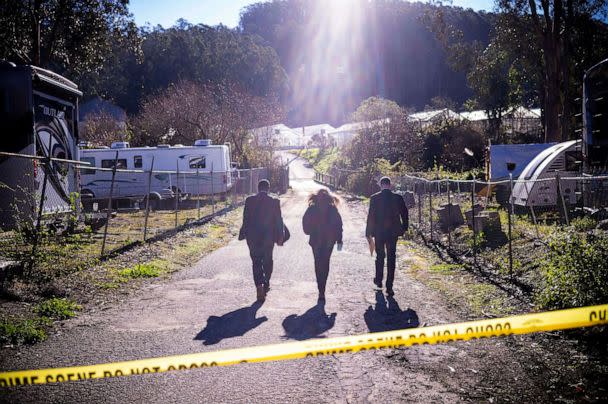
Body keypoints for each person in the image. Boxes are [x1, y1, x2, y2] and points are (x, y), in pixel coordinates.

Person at [239, 179, 284, 302]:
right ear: (268, 188)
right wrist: (281, 236)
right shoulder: (274, 202)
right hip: (268, 237)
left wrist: (244, 233)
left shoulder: (249, 200)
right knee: (268, 260)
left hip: (252, 237)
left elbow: (245, 219)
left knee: (256, 261)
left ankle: (259, 286)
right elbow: (279, 220)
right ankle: (266, 283)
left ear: (258, 188)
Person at [365, 176, 408, 296]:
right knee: (391, 257)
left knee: (380, 256)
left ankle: (379, 280)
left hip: (379, 232)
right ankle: (389, 286)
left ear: (380, 184)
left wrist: (368, 232)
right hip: (393, 232)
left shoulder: (374, 198)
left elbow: (371, 216)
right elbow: (405, 213)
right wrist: (404, 228)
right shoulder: (398, 198)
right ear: (390, 185)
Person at [302, 189, 343, 302]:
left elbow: (305, 222)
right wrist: (339, 240)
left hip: (315, 240)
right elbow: (338, 225)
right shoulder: (333, 209)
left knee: (317, 263)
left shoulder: (312, 208)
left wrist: (308, 231)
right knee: (325, 263)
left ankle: (320, 288)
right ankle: (322, 289)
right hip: (329, 241)